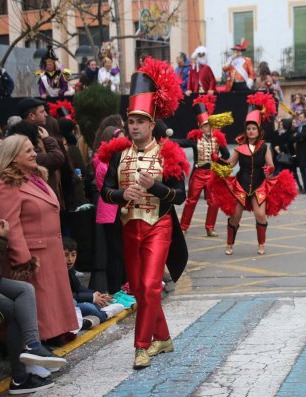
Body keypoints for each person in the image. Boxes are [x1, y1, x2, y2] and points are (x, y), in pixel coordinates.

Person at [99, 57, 188, 369]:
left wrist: (157, 188)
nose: (134, 126)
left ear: (152, 124)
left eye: (140, 121)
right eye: (130, 121)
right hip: (128, 226)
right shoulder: (116, 154)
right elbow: (104, 191)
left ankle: (141, 346)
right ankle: (163, 337)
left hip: (158, 226)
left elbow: (181, 197)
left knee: (151, 285)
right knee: (139, 289)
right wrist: (123, 194)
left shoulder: (169, 154)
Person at [0, 185, 67, 394]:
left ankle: (28, 356)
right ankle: (23, 369)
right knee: (20, 303)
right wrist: (1, 239)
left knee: (24, 293)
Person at [0, 135, 79, 343]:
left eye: (33, 149)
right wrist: (23, 261)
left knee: (49, 307)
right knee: (39, 309)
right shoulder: (6, 184)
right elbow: (9, 225)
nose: (34, 154)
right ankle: (35, 347)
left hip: (49, 252)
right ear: (13, 156)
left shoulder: (34, 177)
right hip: (32, 257)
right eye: (28, 151)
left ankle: (46, 342)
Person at [209, 92, 297, 255]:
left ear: (258, 130)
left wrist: (268, 169)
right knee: (235, 217)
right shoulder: (239, 148)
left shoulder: (265, 147)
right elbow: (229, 165)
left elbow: (271, 165)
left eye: (253, 128)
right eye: (248, 129)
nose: (250, 131)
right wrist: (217, 159)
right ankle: (229, 244)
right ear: (246, 130)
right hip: (240, 186)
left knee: (260, 215)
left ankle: (261, 244)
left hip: (259, 186)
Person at [172, 95, 230, 236]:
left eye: (209, 125)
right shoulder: (195, 140)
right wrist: (166, 139)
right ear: (199, 126)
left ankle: (210, 227)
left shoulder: (218, 140)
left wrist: (218, 159)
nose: (207, 128)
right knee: (191, 201)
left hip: (212, 174)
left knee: (214, 202)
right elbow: (181, 142)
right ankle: (184, 227)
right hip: (198, 174)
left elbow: (227, 155)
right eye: (205, 126)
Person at [92, 125, 126, 294]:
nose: (123, 140)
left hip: (118, 211)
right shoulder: (104, 163)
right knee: (115, 254)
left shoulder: (116, 159)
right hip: (110, 212)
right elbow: (106, 189)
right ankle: (115, 289)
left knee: (121, 253)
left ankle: (123, 286)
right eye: (119, 137)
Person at [63, 237, 125, 328]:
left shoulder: (69, 269)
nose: (70, 259)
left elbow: (78, 287)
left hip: (72, 305)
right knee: (89, 306)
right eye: (66, 255)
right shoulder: (55, 272)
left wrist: (95, 294)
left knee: (94, 304)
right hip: (66, 306)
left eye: (73, 255)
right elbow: (67, 296)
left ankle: (87, 319)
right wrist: (91, 297)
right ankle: (105, 314)